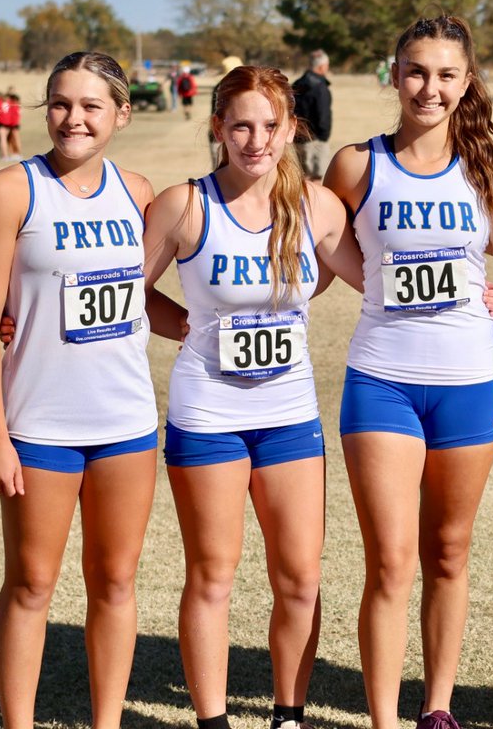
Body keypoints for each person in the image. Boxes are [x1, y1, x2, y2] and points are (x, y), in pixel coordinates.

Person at [322, 14, 493, 729]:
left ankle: (437, 707)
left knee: (448, 551)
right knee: (390, 560)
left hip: (468, 384)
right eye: (416, 71)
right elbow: (324, 253)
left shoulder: (490, 172)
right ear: (394, 74)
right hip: (381, 380)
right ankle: (384, 719)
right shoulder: (356, 166)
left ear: (467, 82)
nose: (429, 88)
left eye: (446, 74)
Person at [142, 65, 365, 729]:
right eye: (240, 125)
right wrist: (186, 327)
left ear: (292, 128)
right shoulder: (184, 205)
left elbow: (380, 278)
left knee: (299, 578)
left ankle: (288, 717)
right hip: (208, 412)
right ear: (218, 128)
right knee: (213, 576)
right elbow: (126, 289)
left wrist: (471, 291)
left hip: (290, 414)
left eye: (271, 125)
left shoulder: (318, 206)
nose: (256, 140)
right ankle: (213, 721)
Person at [0, 51, 162, 729]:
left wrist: (209, 326)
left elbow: (144, 297)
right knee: (31, 585)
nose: (74, 118)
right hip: (39, 425)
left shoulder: (138, 192)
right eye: (61, 104)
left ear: (121, 115)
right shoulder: (10, 190)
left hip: (126, 424)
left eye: (91, 106)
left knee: (115, 582)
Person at [292, 50, 333, 182]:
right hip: (315, 140)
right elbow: (323, 115)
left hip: (297, 139)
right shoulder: (320, 86)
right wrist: (324, 136)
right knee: (315, 181)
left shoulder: (297, 83)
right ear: (322, 67)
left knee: (301, 179)